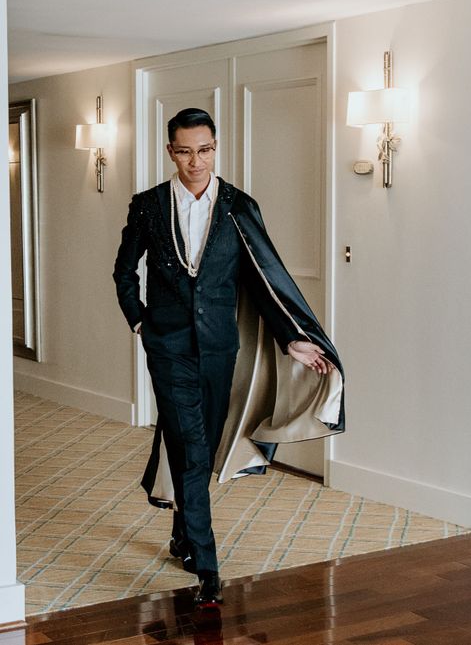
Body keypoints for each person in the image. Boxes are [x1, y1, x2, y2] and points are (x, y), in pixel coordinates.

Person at [113, 108, 342, 608]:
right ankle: (208, 567)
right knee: (192, 448)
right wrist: (140, 322)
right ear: (171, 152)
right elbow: (124, 271)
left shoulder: (239, 206)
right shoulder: (148, 206)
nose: (196, 161)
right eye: (185, 151)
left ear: (216, 148)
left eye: (205, 150)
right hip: (168, 348)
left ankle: (182, 530)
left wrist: (292, 339)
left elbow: (262, 279)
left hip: (220, 348)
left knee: (200, 442)